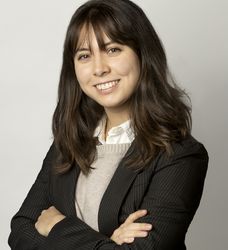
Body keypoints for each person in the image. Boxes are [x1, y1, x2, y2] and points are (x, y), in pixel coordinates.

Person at [8, 0, 208, 249]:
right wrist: (108, 243)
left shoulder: (180, 155)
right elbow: (20, 232)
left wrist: (57, 227)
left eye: (112, 49)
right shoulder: (68, 144)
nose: (99, 68)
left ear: (142, 53)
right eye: (84, 55)